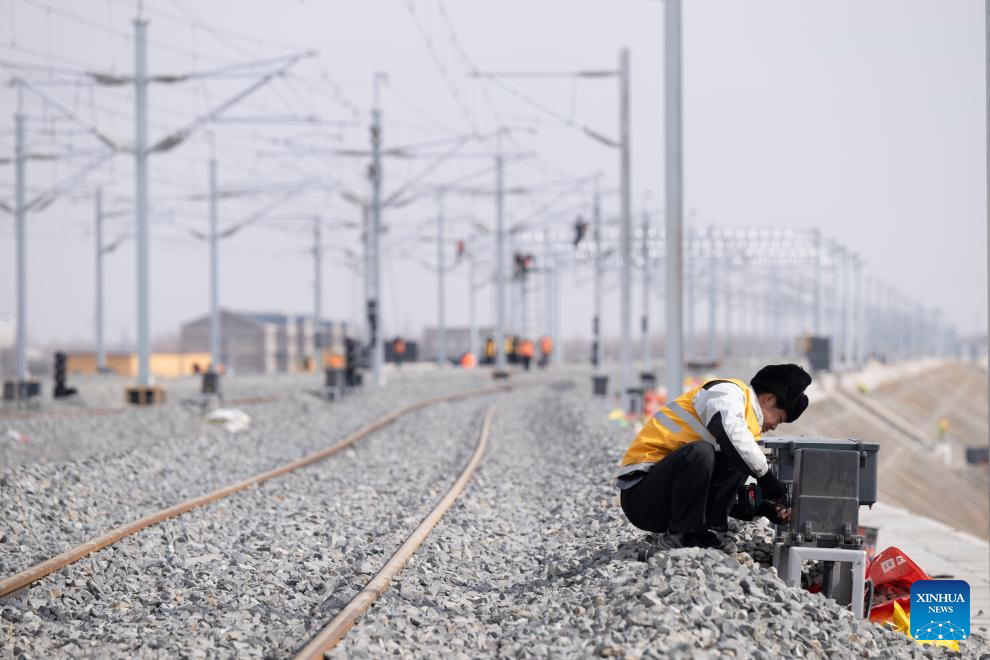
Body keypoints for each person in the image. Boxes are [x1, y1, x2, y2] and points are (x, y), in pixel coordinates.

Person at [615, 364, 812, 551]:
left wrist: (765, 508)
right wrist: (767, 478)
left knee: (738, 459)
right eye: (778, 419)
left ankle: (699, 533)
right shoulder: (728, 393)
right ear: (768, 399)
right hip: (641, 496)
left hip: (666, 499)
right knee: (701, 452)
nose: (774, 427)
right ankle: (683, 535)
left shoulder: (747, 432)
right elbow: (730, 433)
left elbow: (732, 492)